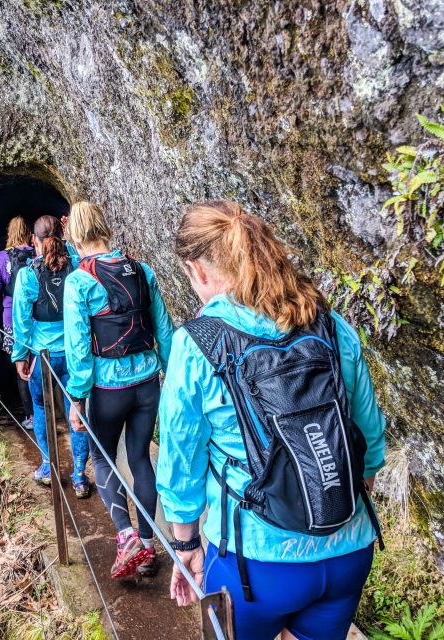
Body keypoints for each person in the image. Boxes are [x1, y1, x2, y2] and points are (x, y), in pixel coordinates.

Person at [156, 200, 386, 640]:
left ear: (198, 271)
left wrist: (185, 544)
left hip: (253, 564)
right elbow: (369, 440)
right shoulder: (331, 325)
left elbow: (181, 461)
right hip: (348, 550)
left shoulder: (197, 344)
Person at [63, 201, 174, 579]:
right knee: (140, 458)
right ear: (103, 228)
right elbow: (164, 329)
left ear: (75, 237)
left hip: (108, 388)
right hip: (147, 382)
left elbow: (79, 348)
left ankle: (126, 536)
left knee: (102, 456)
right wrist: (169, 374)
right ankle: (147, 546)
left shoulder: (79, 281)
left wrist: (77, 398)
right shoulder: (142, 270)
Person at [11, 215, 91, 498]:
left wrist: (20, 355)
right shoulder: (78, 265)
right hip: (75, 352)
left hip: (43, 355)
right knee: (78, 410)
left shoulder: (28, 274)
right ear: (62, 236)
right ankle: (80, 475)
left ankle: (48, 467)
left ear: (35, 240)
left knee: (42, 408)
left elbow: (21, 319)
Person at [0, 217, 35, 429]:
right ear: (29, 233)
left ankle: (31, 415)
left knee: (21, 366)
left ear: (9, 233)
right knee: (40, 363)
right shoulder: (38, 253)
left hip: (11, 319)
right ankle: (50, 410)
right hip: (38, 318)